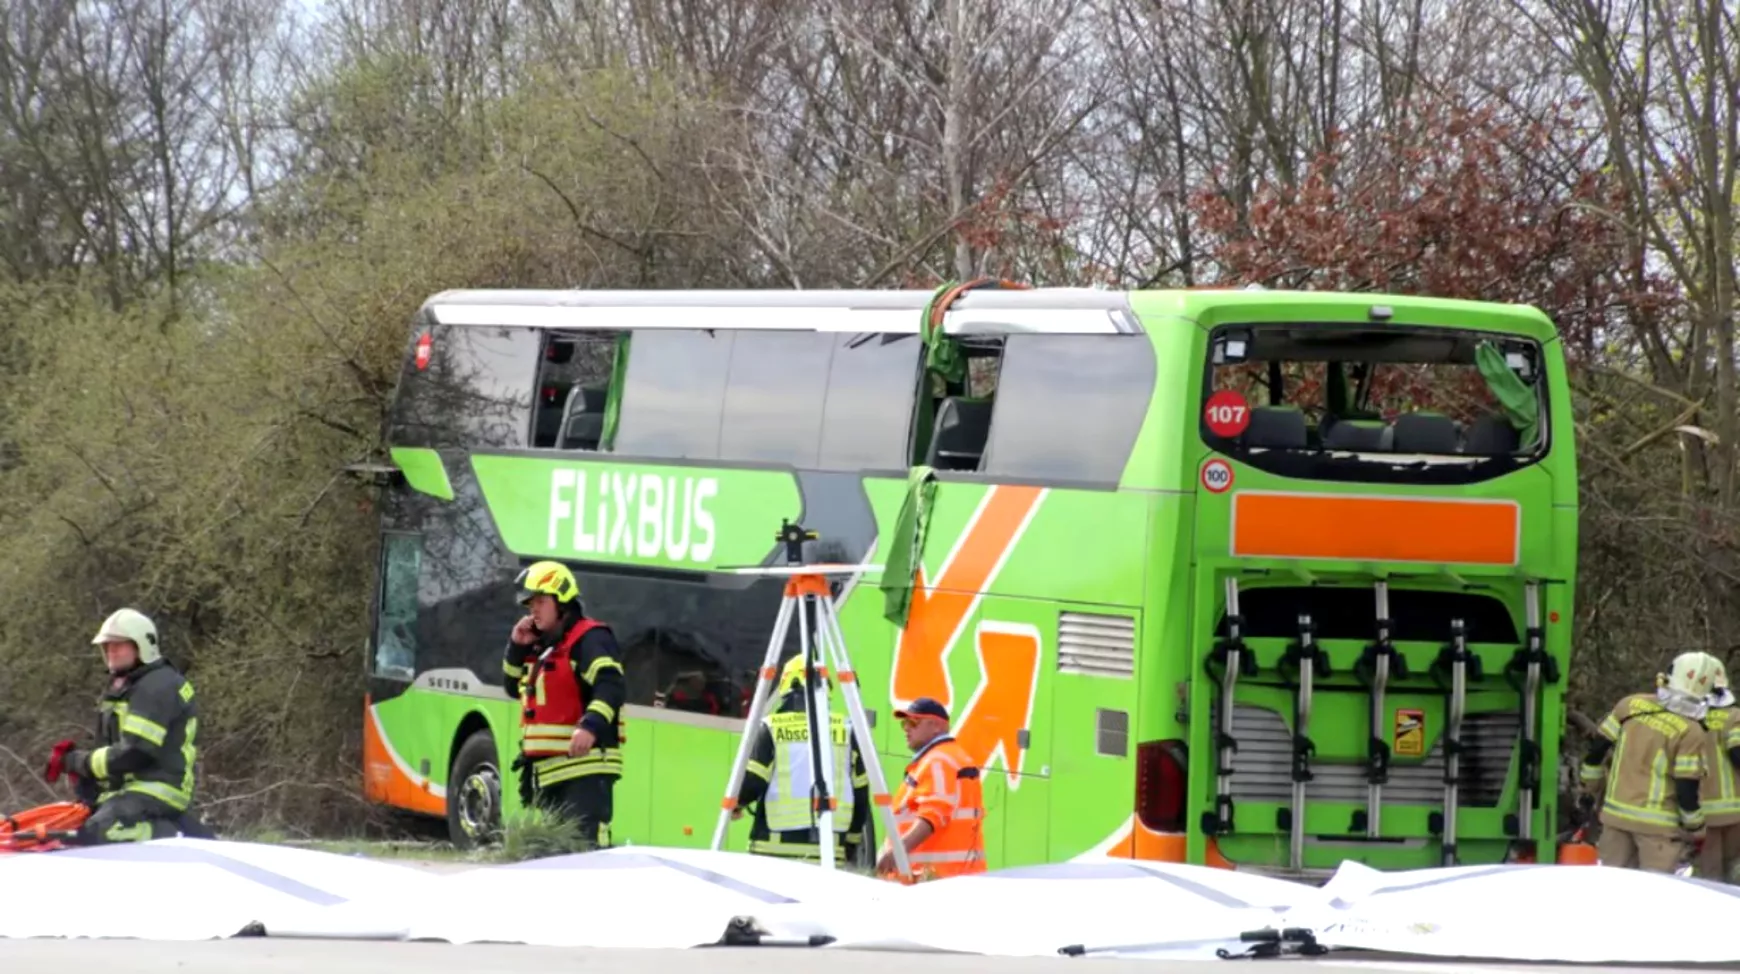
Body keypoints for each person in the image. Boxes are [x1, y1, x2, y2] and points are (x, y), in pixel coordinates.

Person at [501, 560, 626, 850]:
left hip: (584, 772)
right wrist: (516, 646)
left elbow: (610, 685)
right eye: (530, 604)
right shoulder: (546, 647)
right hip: (549, 775)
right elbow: (511, 686)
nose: (533, 610)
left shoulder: (591, 639)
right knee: (554, 860)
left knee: (583, 856)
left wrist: (590, 727)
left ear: (562, 602)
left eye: (540, 602)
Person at [51, 608, 202, 845]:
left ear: (143, 646)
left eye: (119, 645)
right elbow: (113, 749)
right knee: (69, 822)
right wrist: (86, 782)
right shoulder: (126, 686)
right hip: (129, 790)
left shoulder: (156, 687)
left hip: (160, 789)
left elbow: (135, 753)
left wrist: (80, 762)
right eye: (107, 646)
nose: (111, 651)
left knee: (101, 830)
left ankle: (174, 832)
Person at [1578, 650, 1717, 872]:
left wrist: (1589, 786)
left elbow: (1597, 750)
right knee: (1654, 895)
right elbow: (1686, 787)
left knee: (1613, 888)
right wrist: (1696, 826)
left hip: (1615, 820)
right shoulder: (1691, 732)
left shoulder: (1630, 706)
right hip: (1658, 832)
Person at [733, 653, 870, 865]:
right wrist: (851, 841)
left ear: (788, 684)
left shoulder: (772, 726)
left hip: (774, 849)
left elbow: (754, 780)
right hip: (829, 851)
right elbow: (860, 792)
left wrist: (737, 803)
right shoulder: (847, 729)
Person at [876, 696, 986, 882]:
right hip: (949, 877)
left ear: (936, 725)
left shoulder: (938, 761)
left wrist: (897, 851)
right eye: (904, 723)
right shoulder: (946, 756)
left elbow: (932, 815)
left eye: (913, 722)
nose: (906, 728)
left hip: (937, 880)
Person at [1696, 660, 1740, 883]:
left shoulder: (1691, 720)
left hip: (1703, 813)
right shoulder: (1734, 717)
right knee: (1734, 872)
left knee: (1709, 877)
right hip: (1735, 810)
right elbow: (1738, 754)